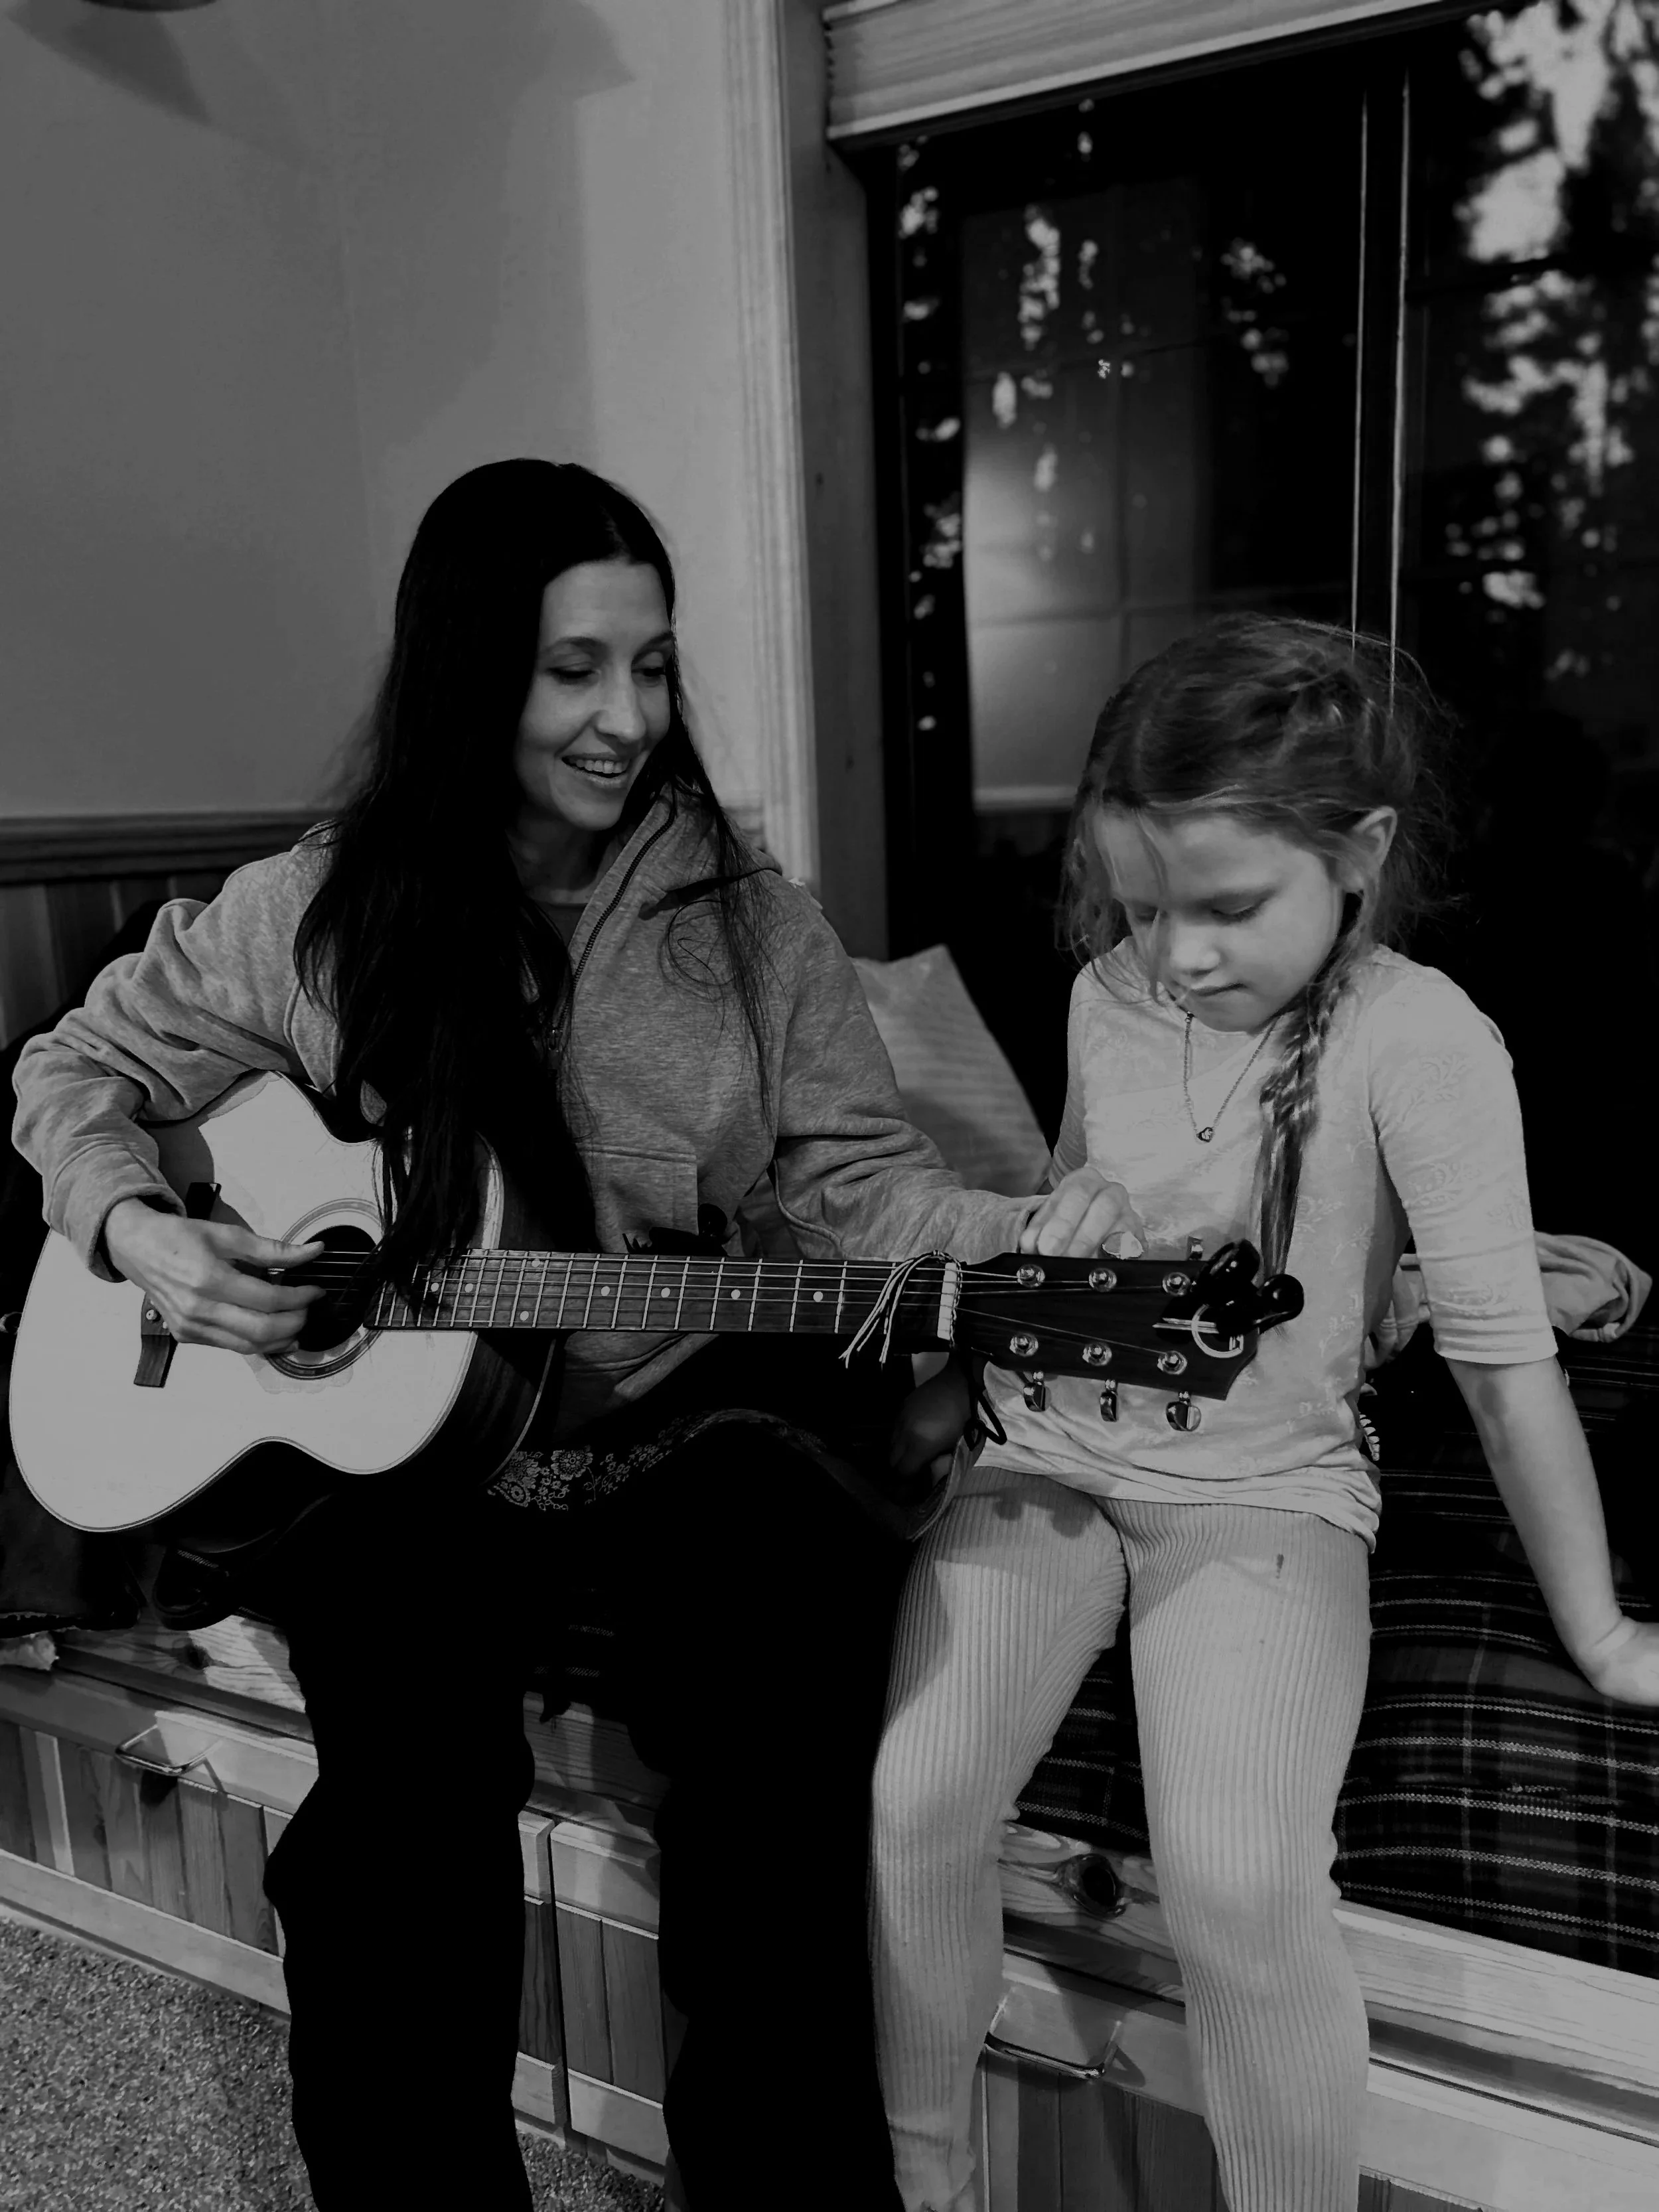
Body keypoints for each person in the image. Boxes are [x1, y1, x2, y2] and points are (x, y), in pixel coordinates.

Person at [10, 459, 1036, 2211]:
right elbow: (71, 1067)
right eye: (575, 668)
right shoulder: (314, 912)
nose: (625, 716)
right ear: (471, 664)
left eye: (648, 666)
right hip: (395, 1449)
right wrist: (142, 1230)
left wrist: (1053, 1241)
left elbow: (865, 1194)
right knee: (406, 1798)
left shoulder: (752, 924)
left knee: (782, 1749)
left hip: (662, 1403)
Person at [869, 615, 1659, 2212]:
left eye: (1227, 907)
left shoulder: (1419, 1037)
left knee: (1234, 1881)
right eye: (1145, 904)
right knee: (912, 1794)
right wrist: (1057, 1221)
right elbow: (1101, 1220)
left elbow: (1505, 1371)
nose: (1177, 954)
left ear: (1357, 853)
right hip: (1043, 1448)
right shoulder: (1106, 993)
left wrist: (1600, 1637)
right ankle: (929, 2183)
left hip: (1266, 1485)